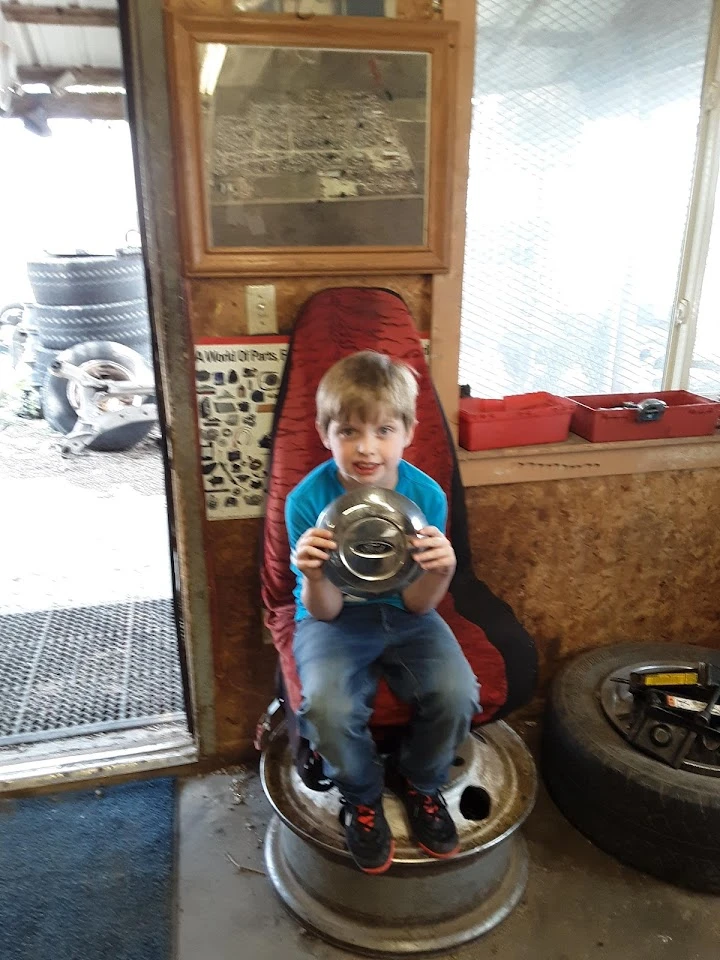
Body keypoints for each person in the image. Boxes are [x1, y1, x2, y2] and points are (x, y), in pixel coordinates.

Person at [285, 350, 480, 875]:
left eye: (383, 430)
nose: (366, 447)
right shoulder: (306, 502)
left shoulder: (425, 497)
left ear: (408, 432)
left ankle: (422, 782)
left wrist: (441, 573)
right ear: (326, 434)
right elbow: (322, 614)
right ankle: (362, 795)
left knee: (457, 692)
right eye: (348, 431)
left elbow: (418, 604)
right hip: (333, 618)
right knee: (326, 707)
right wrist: (315, 575)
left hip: (407, 614)